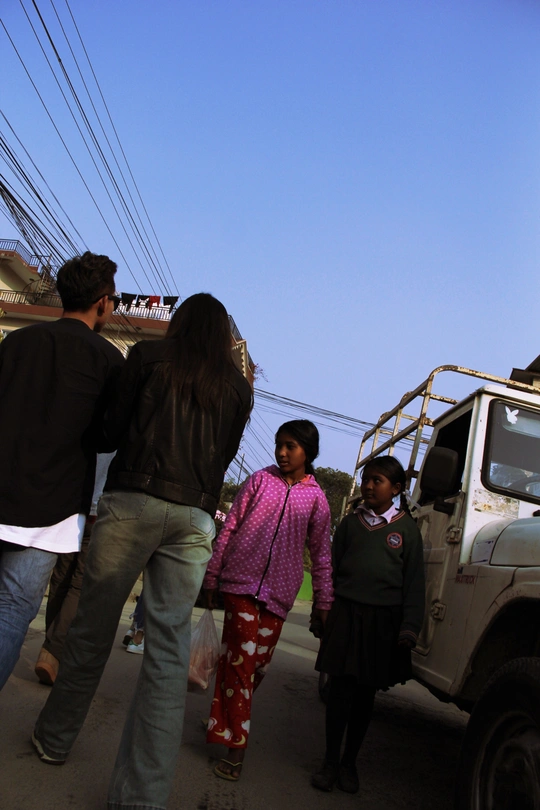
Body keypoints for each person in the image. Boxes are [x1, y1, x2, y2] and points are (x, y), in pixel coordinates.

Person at [32, 292, 253, 810]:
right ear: (223, 337)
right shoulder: (238, 389)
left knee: (92, 628)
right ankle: (142, 796)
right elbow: (223, 456)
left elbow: (110, 430)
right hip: (194, 517)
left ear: (179, 324)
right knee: (168, 652)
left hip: (132, 499)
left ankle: (54, 740)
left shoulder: (147, 357)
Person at [0, 252, 124, 691]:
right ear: (103, 302)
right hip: (50, 511)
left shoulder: (15, 343)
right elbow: (109, 438)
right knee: (13, 610)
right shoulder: (109, 362)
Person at [203, 419, 334, 781]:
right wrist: (213, 574)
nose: (282, 452)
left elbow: (321, 555)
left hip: (279, 594)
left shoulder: (317, 500)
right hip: (240, 585)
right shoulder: (259, 480)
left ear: (308, 452)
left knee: (254, 668)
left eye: (291, 446)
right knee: (241, 664)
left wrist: (324, 601)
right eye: (280, 444)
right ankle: (236, 748)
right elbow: (230, 527)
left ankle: (222, 718)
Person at [311, 455, 425, 795]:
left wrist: (409, 627)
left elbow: (414, 584)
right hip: (346, 615)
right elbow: (330, 570)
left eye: (378, 481)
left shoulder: (407, 530)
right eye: (366, 480)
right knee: (339, 693)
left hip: (381, 623)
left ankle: (349, 764)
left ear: (397, 488)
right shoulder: (350, 524)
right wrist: (321, 611)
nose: (369, 486)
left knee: (364, 697)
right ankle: (330, 762)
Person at [35, 452, 116, 685]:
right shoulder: (121, 433)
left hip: (71, 506)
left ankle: (50, 648)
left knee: (60, 578)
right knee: (79, 584)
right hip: (100, 510)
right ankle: (53, 651)